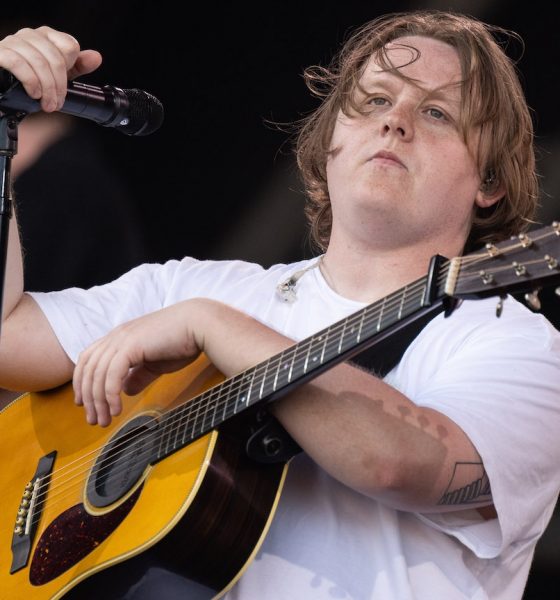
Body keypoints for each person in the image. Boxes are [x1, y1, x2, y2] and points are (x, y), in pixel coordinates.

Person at [0, 10, 559, 600]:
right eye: (373, 100)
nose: (394, 123)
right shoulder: (191, 287)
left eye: (437, 112)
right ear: (330, 143)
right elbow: (7, 339)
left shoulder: (517, 343)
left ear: (490, 180)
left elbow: (400, 464)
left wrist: (212, 327)